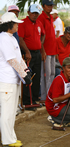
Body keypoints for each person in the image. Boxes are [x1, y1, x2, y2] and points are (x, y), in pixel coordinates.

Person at [0, 12, 32, 147]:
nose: (17, 26)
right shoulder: (3, 38)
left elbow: (19, 59)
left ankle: (11, 137)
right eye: (15, 23)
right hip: (6, 80)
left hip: (14, 80)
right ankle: (7, 140)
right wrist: (24, 75)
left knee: (12, 111)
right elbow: (11, 60)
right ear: (8, 25)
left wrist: (26, 70)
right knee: (7, 111)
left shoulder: (12, 38)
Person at [18, 4, 46, 110]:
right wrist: (27, 51)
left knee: (36, 76)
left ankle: (34, 99)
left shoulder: (39, 22)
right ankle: (27, 101)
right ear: (28, 12)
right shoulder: (23, 23)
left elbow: (43, 34)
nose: (35, 15)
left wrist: (40, 44)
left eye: (36, 13)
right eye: (33, 13)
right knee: (27, 76)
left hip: (37, 53)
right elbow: (20, 39)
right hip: (27, 53)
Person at [45, 57, 70, 127]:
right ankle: (54, 118)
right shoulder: (59, 79)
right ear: (63, 68)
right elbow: (55, 100)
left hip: (64, 103)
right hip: (54, 107)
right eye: (69, 68)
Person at [37, 0, 57, 103]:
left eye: (51, 6)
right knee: (46, 75)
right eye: (48, 6)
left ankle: (50, 95)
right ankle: (45, 97)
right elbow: (40, 36)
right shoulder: (41, 18)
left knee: (52, 73)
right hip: (46, 51)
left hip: (53, 49)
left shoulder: (51, 17)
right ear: (43, 6)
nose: (50, 7)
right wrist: (43, 51)